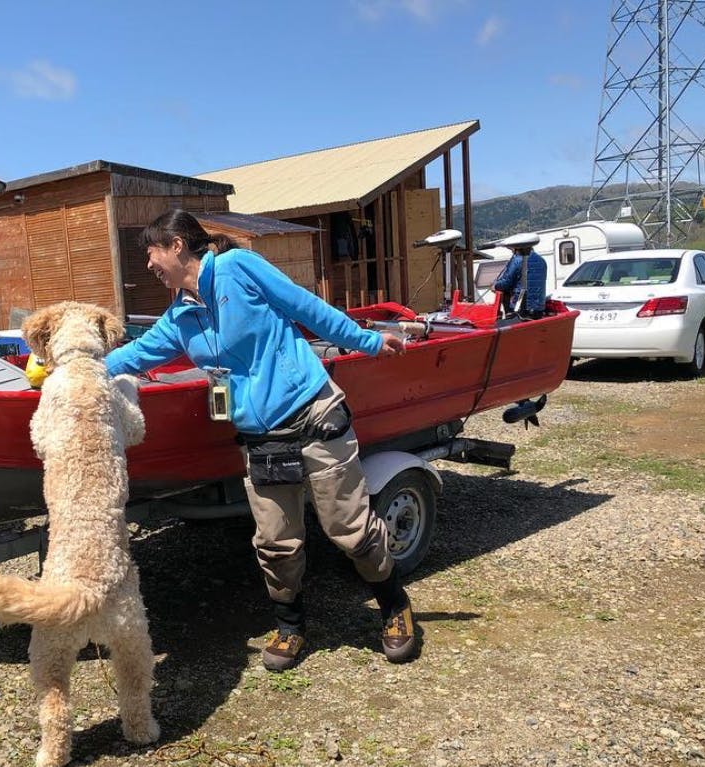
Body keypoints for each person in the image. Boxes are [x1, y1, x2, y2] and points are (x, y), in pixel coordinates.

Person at [105, 210, 417, 671]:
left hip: (313, 412)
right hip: (260, 436)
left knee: (348, 530)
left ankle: (394, 607)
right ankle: (291, 625)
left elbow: (306, 308)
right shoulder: (179, 318)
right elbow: (134, 354)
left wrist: (366, 340)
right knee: (276, 542)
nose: (148, 265)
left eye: (150, 252)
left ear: (175, 245)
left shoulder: (238, 268)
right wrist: (75, 368)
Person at [493, 238, 548, 319]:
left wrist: (495, 285)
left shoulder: (517, 260)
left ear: (518, 248)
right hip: (538, 308)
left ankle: (509, 314)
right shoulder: (542, 260)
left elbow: (506, 283)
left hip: (520, 308)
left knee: (504, 290)